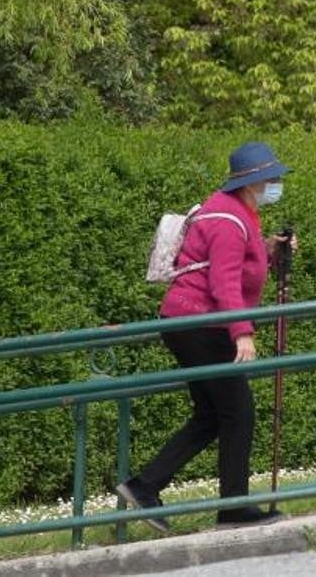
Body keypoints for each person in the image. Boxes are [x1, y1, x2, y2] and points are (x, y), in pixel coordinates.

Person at [116, 141, 295, 531]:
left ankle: (143, 487)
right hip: (202, 325)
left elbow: (232, 264)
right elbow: (224, 282)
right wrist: (242, 334)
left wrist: (269, 251)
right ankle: (232, 509)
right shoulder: (228, 219)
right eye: (273, 179)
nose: (276, 185)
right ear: (254, 181)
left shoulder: (232, 211)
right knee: (238, 413)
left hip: (190, 323)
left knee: (214, 415)